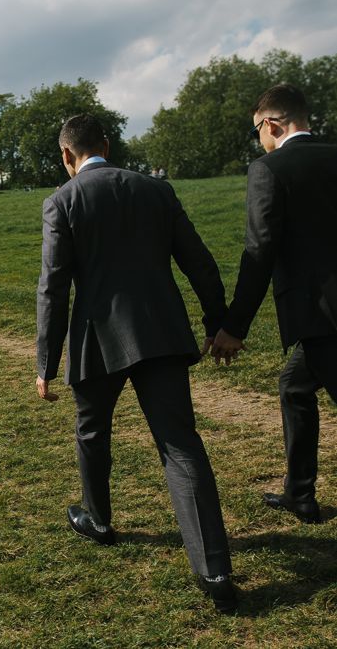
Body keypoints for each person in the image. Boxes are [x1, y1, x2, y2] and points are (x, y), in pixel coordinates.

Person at [36, 114, 236, 614]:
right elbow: (199, 260)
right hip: (161, 332)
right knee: (180, 445)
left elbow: (53, 289)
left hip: (97, 340)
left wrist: (45, 361)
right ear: (106, 145)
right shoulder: (156, 190)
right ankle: (214, 568)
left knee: (91, 432)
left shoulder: (62, 201)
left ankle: (98, 519)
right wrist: (217, 321)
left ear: (67, 157)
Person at [212, 84, 337, 525]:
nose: (259, 141)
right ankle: (299, 495)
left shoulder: (270, 169)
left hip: (321, 313)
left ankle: (299, 494)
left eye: (257, 131)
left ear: (271, 124)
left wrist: (234, 326)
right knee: (295, 385)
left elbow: (259, 251)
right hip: (324, 317)